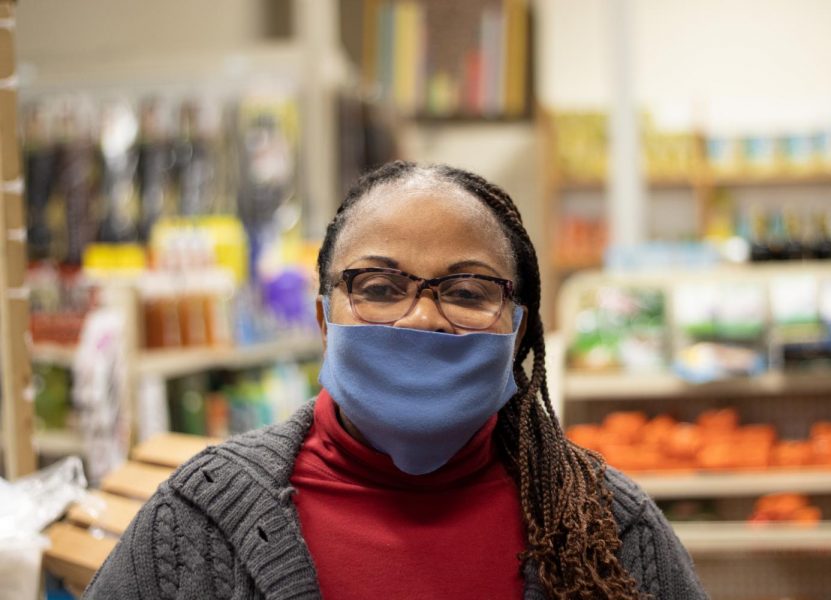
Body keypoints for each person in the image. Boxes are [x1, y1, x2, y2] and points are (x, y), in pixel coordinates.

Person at [84, 161, 706, 599]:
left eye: (467, 291)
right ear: (325, 320)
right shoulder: (199, 522)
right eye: (379, 288)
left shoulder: (610, 530)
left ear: (517, 332)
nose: (423, 317)